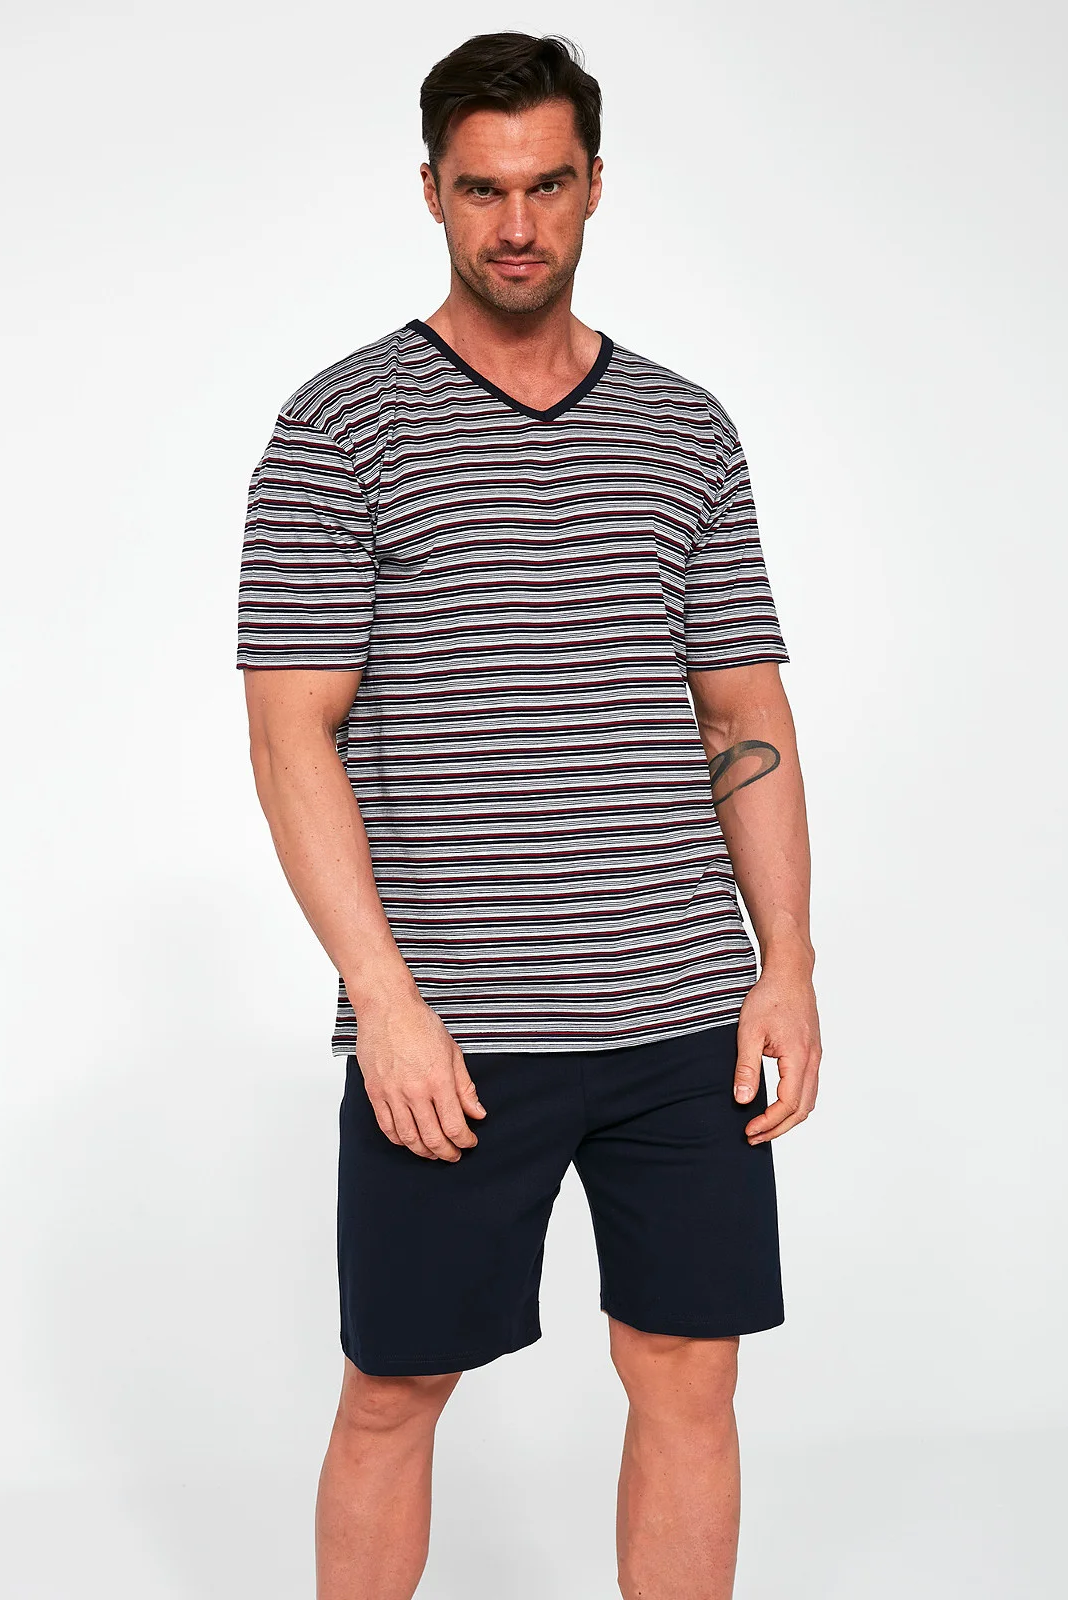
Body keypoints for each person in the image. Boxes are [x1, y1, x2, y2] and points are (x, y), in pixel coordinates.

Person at [236, 30, 821, 1600]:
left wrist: (786, 964)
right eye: (482, 189)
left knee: (691, 1377)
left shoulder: (685, 429)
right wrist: (385, 1002)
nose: (515, 224)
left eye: (546, 186)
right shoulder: (339, 428)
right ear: (431, 191)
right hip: (458, 1027)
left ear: (595, 187)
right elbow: (291, 738)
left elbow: (745, 714)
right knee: (395, 1389)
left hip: (683, 1017)